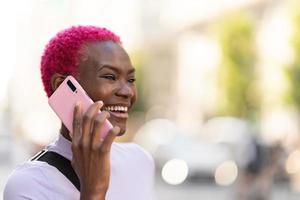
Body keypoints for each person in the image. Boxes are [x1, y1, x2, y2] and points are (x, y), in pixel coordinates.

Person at [4, 25, 155, 200]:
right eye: (109, 77)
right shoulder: (29, 184)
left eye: (131, 79)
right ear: (62, 86)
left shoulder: (139, 160)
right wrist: (94, 192)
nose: (128, 91)